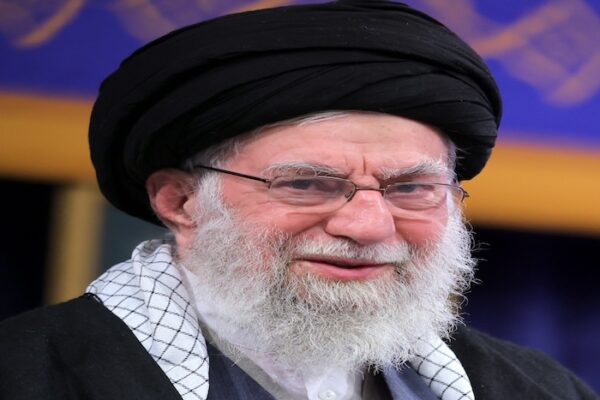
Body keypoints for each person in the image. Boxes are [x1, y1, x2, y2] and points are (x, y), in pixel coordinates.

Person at [0, 1, 597, 399]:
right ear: (181, 201)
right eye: (308, 184)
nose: (368, 226)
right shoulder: (27, 375)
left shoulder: (536, 389)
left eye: (410, 189)